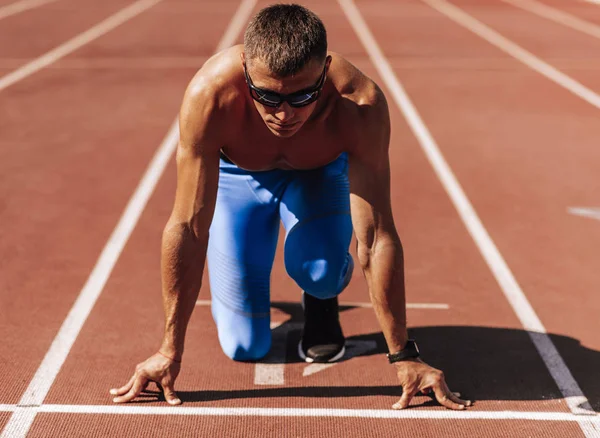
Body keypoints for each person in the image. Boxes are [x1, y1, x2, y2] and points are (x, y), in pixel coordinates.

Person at [109, 4, 471, 410]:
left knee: (321, 272)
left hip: (318, 175)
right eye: (266, 96)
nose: (284, 114)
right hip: (235, 179)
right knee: (245, 346)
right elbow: (188, 227)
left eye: (303, 96)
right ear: (245, 67)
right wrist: (168, 351)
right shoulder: (210, 94)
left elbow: (376, 237)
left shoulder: (360, 103)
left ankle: (320, 300)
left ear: (325, 68)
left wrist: (404, 355)